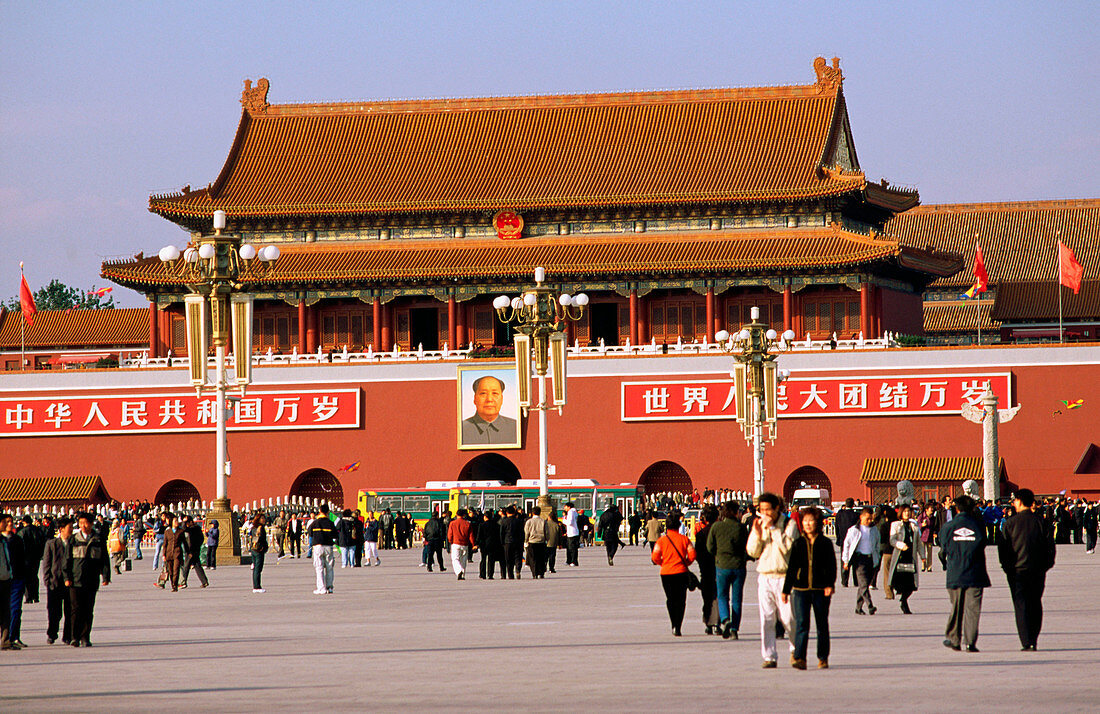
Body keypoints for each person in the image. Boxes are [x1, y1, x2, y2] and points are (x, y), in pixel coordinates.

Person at [998, 488, 1055, 651]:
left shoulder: (1010, 523)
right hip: (1037, 570)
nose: (1014, 503)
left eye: (1015, 500)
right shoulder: (1041, 522)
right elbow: (1050, 547)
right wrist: (1046, 565)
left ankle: (1026, 640)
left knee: (1021, 604)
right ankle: (1034, 639)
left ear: (1020, 501)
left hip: (1016, 572)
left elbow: (1003, 550)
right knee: (1035, 602)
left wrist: (1007, 567)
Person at [747, 492, 797, 668]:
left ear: (777, 508)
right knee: (767, 618)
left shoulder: (789, 525)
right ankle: (769, 656)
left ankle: (795, 650)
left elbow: (787, 548)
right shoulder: (759, 524)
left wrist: (774, 530)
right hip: (765, 576)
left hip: (784, 577)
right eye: (761, 510)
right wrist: (759, 534)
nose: (765, 513)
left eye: (768, 509)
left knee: (788, 617)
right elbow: (752, 551)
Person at [782, 507, 836, 669]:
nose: (807, 524)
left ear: (818, 522)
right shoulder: (798, 543)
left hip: (820, 589)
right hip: (801, 589)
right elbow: (791, 568)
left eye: (811, 520)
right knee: (801, 624)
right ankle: (799, 657)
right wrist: (786, 590)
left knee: (822, 625)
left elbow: (831, 566)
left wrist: (829, 584)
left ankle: (823, 657)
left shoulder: (825, 543)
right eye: (805, 521)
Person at [938, 495, 989, 653]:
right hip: (975, 573)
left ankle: (954, 639)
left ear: (957, 508)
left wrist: (945, 563)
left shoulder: (948, 527)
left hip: (956, 572)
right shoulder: (978, 527)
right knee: (972, 610)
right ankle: (970, 642)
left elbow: (942, 549)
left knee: (957, 606)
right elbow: (982, 545)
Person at [64, 512, 111, 647]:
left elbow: (104, 559)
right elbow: (67, 560)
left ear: (91, 524)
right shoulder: (73, 539)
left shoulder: (98, 539)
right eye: (80, 523)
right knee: (75, 609)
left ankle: (85, 637)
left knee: (88, 609)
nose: (83, 526)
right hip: (75, 579)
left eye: (85, 523)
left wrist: (106, 576)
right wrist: (67, 577)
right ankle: (74, 637)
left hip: (91, 580)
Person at [708, 501, 749, 640]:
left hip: (722, 566)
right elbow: (748, 547)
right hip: (738, 567)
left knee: (722, 596)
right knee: (737, 599)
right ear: (736, 512)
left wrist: (718, 555)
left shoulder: (717, 526)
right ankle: (734, 629)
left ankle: (725, 619)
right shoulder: (741, 528)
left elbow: (710, 547)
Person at [651, 512, 695, 637]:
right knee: (681, 600)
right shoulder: (685, 539)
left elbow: (655, 557)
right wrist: (685, 563)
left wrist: (664, 564)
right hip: (681, 572)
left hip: (666, 573)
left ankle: (673, 624)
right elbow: (692, 555)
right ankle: (678, 626)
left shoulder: (661, 541)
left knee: (670, 599)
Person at [841, 507, 881, 616]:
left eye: (871, 519)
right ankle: (870, 605)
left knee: (864, 584)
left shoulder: (874, 530)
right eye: (867, 519)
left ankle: (858, 608)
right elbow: (847, 545)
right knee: (863, 584)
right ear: (861, 517)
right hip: (859, 560)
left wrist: (877, 558)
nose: (869, 521)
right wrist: (845, 560)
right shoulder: (854, 530)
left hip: (870, 559)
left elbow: (877, 544)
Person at [886, 504, 924, 614]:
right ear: (901, 513)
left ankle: (903, 599)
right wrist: (901, 545)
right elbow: (892, 540)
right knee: (900, 582)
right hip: (900, 557)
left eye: (908, 511)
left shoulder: (914, 526)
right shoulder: (896, 525)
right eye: (905, 511)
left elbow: (919, 543)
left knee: (911, 584)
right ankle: (904, 604)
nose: (907, 513)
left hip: (910, 557)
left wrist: (923, 556)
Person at [41, 517, 73, 645]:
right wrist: (47, 580)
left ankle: (68, 636)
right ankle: (52, 633)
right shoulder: (51, 544)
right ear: (61, 529)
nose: (71, 530)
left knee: (70, 611)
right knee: (54, 611)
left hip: (70, 582)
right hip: (55, 582)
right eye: (69, 527)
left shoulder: (74, 543)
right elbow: (46, 564)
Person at [461, 375, 518, 445]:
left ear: (502, 399)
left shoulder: (516, 428)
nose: (489, 399)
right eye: (483, 393)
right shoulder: (461, 429)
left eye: (495, 393)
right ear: (475, 399)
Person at [1, 514, 27, 649]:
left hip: (16, 579)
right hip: (2, 579)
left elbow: (23, 560)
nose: (10, 524)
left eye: (11, 521)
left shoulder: (17, 540)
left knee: (15, 609)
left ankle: (13, 637)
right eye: (7, 522)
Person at [694, 504, 720, 635]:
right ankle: (719, 623)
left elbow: (697, 554)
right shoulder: (719, 533)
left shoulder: (700, 534)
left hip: (705, 569)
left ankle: (709, 623)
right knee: (719, 595)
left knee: (707, 597)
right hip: (719, 567)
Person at [308, 505, 337, 594]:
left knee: (319, 567)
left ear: (320, 511)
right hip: (328, 546)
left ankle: (321, 588)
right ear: (328, 512)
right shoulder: (330, 523)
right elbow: (335, 535)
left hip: (318, 546)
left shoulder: (315, 522)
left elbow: (310, 533)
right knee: (329, 567)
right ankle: (329, 587)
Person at [833, 498, 858, 587]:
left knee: (845, 559)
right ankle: (856, 581)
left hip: (843, 540)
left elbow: (837, 527)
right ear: (853, 505)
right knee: (855, 561)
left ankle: (844, 581)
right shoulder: (856, 515)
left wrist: (838, 538)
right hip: (854, 541)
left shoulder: (840, 515)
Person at [180, 516, 209, 589]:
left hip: (191, 550)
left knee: (186, 567)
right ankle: (204, 581)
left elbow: (183, 529)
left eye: (187, 522)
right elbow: (201, 539)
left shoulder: (192, 529)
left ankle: (183, 582)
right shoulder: (197, 528)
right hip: (195, 549)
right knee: (197, 566)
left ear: (190, 522)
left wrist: (183, 521)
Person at [447, 508, 475, 580]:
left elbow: (449, 535)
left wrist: (450, 541)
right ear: (464, 515)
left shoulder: (452, 523)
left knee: (455, 559)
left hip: (455, 543)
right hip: (465, 544)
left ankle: (459, 571)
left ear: (456, 515)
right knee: (463, 560)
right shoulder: (468, 523)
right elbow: (471, 535)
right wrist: (473, 544)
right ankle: (462, 575)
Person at [523, 506, 550, 578]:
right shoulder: (543, 521)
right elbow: (547, 532)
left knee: (532, 559)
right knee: (541, 558)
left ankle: (534, 573)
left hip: (532, 542)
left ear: (532, 513)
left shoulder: (529, 522)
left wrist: (526, 541)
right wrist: (547, 539)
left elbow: (526, 532)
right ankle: (541, 573)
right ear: (540, 512)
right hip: (541, 542)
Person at [158, 514, 183, 592]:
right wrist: (164, 554)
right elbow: (165, 544)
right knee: (171, 571)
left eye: (177, 521)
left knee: (176, 570)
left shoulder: (180, 531)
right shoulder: (167, 532)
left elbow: (184, 543)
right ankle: (173, 584)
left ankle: (175, 585)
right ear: (172, 522)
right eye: (175, 521)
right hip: (169, 554)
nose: (177, 522)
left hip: (177, 553)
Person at [477, 511, 502, 580]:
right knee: (491, 560)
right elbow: (498, 536)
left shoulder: (481, 525)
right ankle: (490, 574)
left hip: (484, 545)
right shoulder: (496, 525)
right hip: (493, 544)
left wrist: (477, 544)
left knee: (483, 559)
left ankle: (483, 574)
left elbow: (479, 536)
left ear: (485, 517)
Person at [500, 506, 524, 579]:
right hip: (517, 542)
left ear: (507, 513)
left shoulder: (504, 521)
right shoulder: (518, 521)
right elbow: (522, 533)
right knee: (518, 557)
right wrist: (522, 542)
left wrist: (502, 543)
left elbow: (501, 533)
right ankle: (518, 569)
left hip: (507, 542)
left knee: (508, 558)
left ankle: (510, 574)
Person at [248, 513, 268, 593]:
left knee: (256, 568)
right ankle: (257, 587)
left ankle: (256, 586)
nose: (264, 520)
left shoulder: (253, 528)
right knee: (258, 568)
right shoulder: (260, 528)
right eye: (262, 518)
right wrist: (264, 547)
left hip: (254, 549)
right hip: (259, 550)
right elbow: (262, 539)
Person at [916, 503, 937, 572]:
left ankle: (929, 566)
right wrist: (922, 525)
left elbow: (935, 526)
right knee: (923, 552)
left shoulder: (933, 518)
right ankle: (923, 565)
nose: (932, 510)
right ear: (926, 509)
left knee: (929, 552)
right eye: (931, 508)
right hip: (922, 536)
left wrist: (934, 533)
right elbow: (917, 525)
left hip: (930, 536)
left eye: (932, 509)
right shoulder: (921, 516)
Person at [563, 502, 580, 567]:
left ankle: (573, 561)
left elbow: (570, 522)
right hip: (573, 532)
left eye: (565, 506)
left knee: (572, 548)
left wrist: (564, 520)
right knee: (570, 548)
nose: (564, 508)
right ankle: (569, 560)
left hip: (572, 533)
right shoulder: (574, 512)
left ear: (569, 507)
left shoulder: (571, 512)